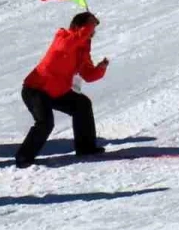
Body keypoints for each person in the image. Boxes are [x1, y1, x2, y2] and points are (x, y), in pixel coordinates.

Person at [15, 11, 110, 168]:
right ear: (81, 27)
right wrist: (89, 23)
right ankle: (23, 157)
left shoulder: (82, 50)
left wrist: (100, 68)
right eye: (91, 26)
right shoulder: (63, 37)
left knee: (82, 104)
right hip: (35, 89)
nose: (93, 31)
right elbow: (67, 46)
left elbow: (88, 75)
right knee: (45, 123)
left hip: (57, 91)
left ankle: (86, 148)